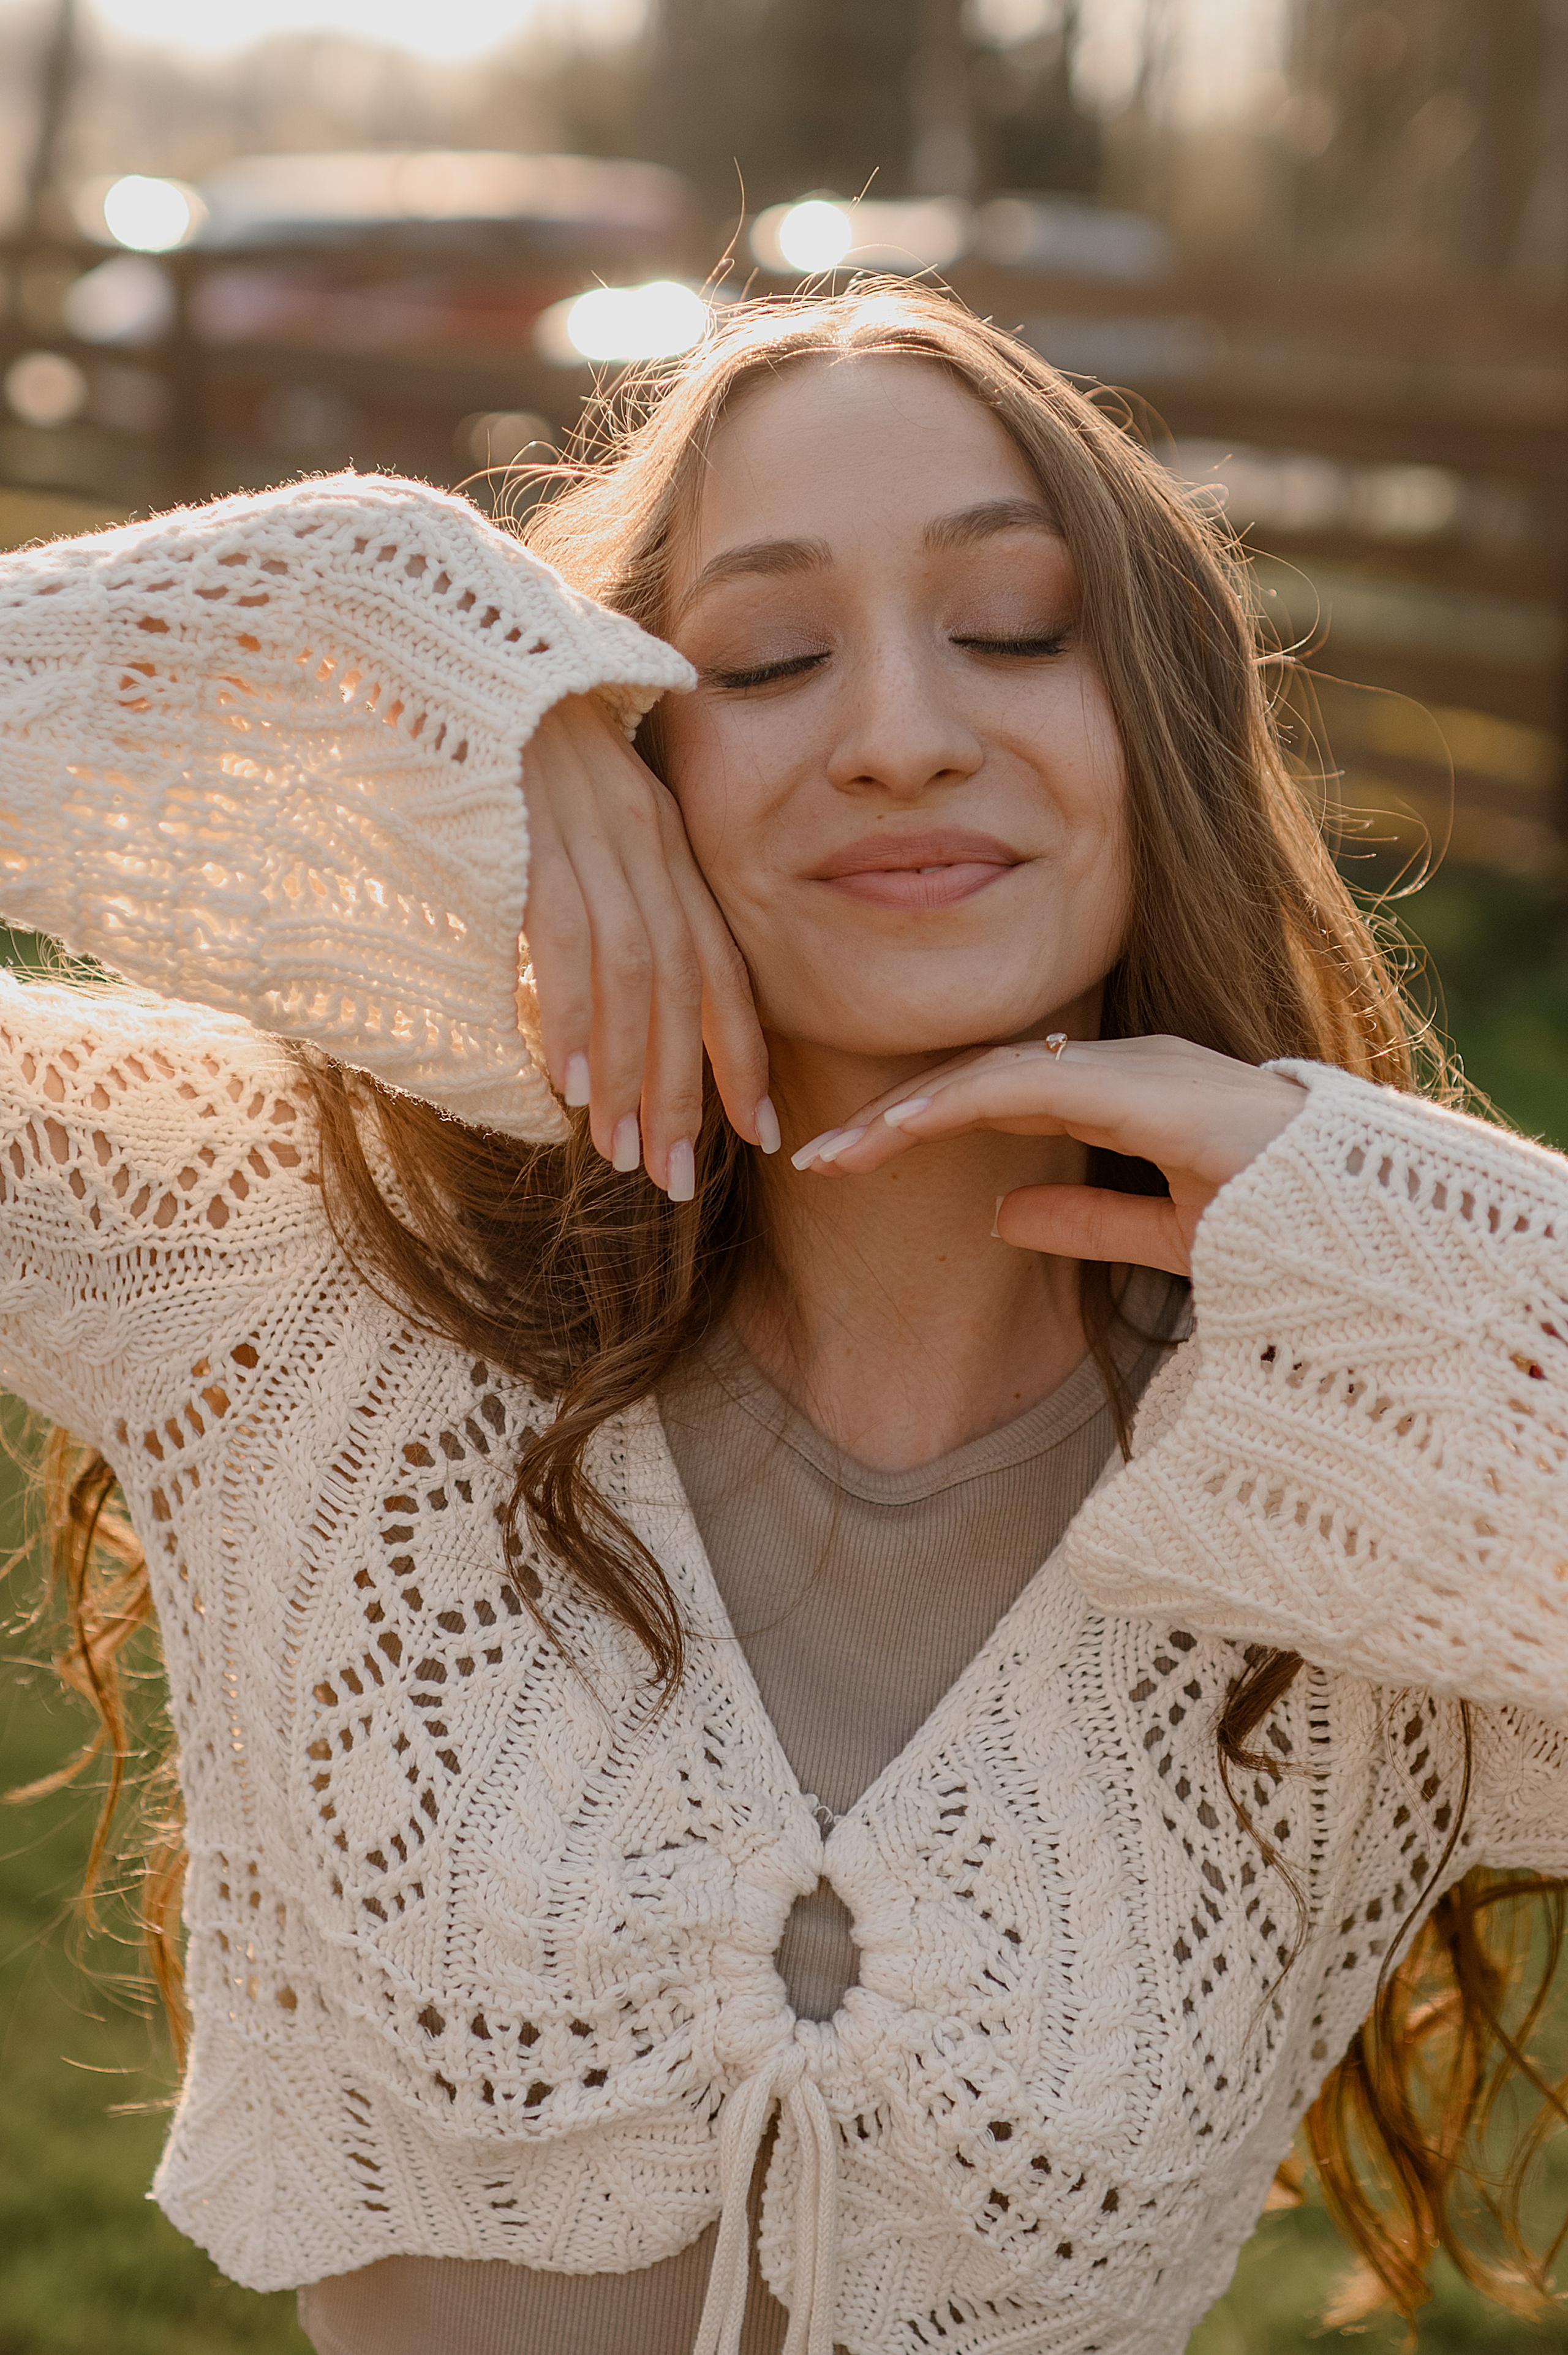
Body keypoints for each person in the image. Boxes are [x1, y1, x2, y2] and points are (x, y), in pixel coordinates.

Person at [1, 284, 1565, 2355]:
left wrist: (1382, 1212)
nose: (904, 728)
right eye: (764, 656)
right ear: (625, 742)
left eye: (1013, 625)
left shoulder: (1411, 1458)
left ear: (1154, 734)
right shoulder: (298, 1250)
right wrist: (393, 624)